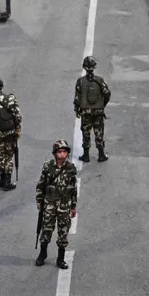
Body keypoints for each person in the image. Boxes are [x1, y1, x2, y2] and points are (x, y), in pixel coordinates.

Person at [35, 139, 79, 269]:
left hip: (64, 205)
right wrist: (39, 200)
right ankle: (42, 254)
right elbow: (41, 185)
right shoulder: (48, 167)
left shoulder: (70, 168)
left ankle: (61, 258)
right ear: (55, 153)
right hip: (49, 204)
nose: (62, 154)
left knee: (63, 232)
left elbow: (73, 188)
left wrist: (73, 206)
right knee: (46, 230)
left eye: (64, 151)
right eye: (59, 152)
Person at [73, 56, 111, 162]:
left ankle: (86, 155)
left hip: (86, 112)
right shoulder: (99, 80)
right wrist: (102, 105)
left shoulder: (80, 81)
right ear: (94, 67)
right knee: (99, 132)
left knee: (86, 133)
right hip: (98, 111)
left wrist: (77, 110)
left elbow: (77, 98)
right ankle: (101, 155)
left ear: (84, 67)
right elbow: (107, 93)